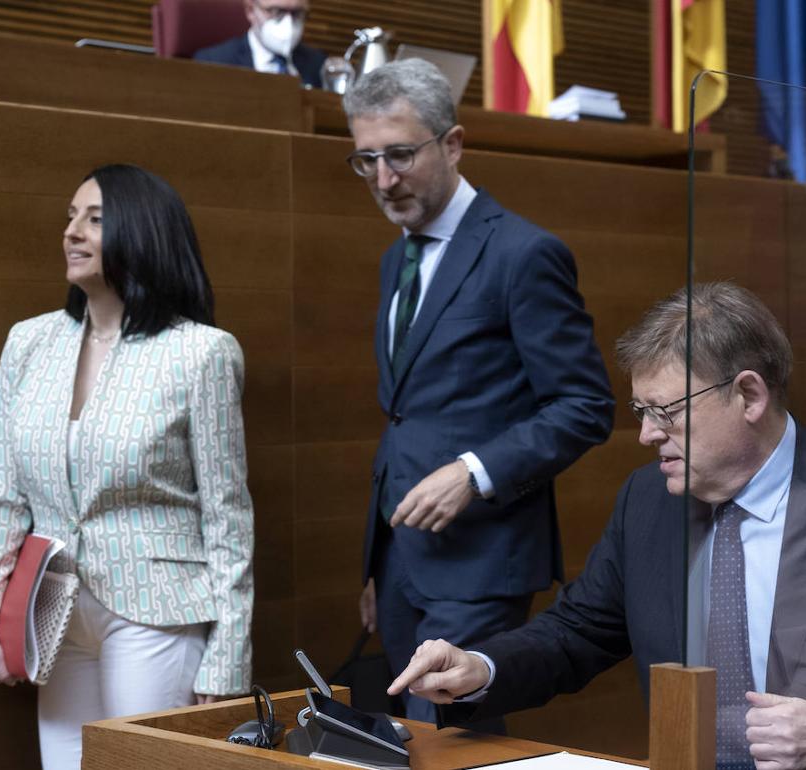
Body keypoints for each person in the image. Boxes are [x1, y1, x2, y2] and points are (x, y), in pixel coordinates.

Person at [388, 282, 806, 769]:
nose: (645, 435)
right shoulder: (649, 500)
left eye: (664, 412)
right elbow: (577, 632)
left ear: (748, 396)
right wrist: (481, 664)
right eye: (641, 410)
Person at [0, 164, 254, 769]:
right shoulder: (30, 343)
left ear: (143, 232)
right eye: (70, 217)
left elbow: (228, 516)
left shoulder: (200, 353)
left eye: (95, 218)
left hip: (159, 610)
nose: (72, 231)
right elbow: (5, 489)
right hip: (54, 610)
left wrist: (229, 655)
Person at [342, 58, 616, 725]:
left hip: (482, 557)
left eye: (401, 155)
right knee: (405, 742)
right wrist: (380, 561)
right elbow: (409, 415)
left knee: (449, 742)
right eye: (367, 160)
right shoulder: (394, 257)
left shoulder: (524, 253)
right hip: (405, 557)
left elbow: (586, 405)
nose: (383, 179)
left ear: (454, 143)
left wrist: (474, 472)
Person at [193, 0, 326, 89]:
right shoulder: (213, 63)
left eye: (298, 13)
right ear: (251, 11)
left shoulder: (318, 65)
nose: (288, 23)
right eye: (276, 11)